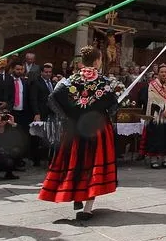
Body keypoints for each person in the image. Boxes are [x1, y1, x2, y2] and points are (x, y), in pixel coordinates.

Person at [39, 46, 124, 219]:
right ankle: (87, 209)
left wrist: (66, 117)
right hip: (97, 130)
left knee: (74, 161)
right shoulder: (105, 82)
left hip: (74, 129)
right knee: (92, 163)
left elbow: (52, 99)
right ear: (97, 61)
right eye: (100, 59)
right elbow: (114, 106)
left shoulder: (69, 80)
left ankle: (75, 195)